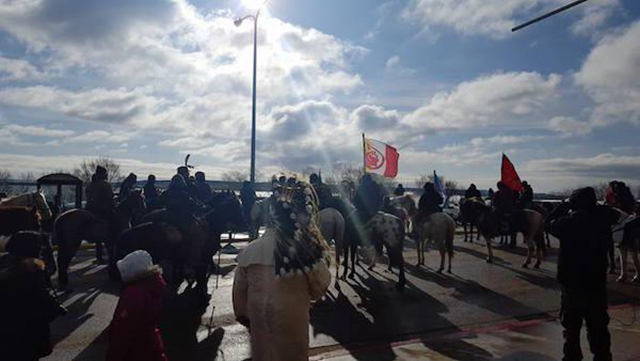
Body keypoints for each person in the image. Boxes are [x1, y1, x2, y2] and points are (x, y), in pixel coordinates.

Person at [233, 178, 331, 361]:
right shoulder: (305, 251)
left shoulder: (250, 251)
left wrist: (244, 315)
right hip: (293, 330)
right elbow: (321, 284)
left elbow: (239, 293)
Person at [548, 187, 620, 361]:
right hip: (596, 281)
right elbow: (615, 214)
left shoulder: (567, 223)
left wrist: (562, 206)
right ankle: (602, 356)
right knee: (598, 325)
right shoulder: (602, 219)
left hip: (571, 282)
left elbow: (548, 223)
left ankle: (572, 356)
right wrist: (596, 208)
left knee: (571, 326)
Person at [0, 232, 65, 360]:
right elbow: (40, 297)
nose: (41, 249)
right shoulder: (32, 268)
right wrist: (56, 308)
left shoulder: (4, 262)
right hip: (25, 329)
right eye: (39, 246)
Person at [107, 250, 167, 361]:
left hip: (134, 350)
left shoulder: (134, 293)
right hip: (150, 343)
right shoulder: (153, 286)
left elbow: (123, 330)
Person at [86, 166, 117, 239]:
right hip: (101, 209)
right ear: (103, 174)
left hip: (89, 208)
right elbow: (109, 199)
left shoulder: (90, 185)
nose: (107, 175)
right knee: (116, 219)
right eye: (106, 173)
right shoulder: (106, 185)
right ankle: (112, 237)